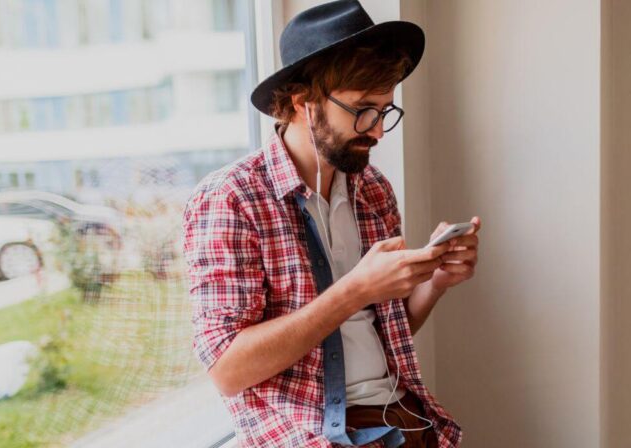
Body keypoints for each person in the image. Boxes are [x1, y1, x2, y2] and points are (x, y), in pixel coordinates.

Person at [183, 1, 480, 446]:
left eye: (384, 112)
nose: (377, 131)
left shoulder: (372, 188)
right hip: (317, 432)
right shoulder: (232, 199)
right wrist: (355, 289)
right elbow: (228, 370)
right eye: (362, 109)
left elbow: (381, 331)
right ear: (303, 103)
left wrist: (433, 281)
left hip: (402, 417)